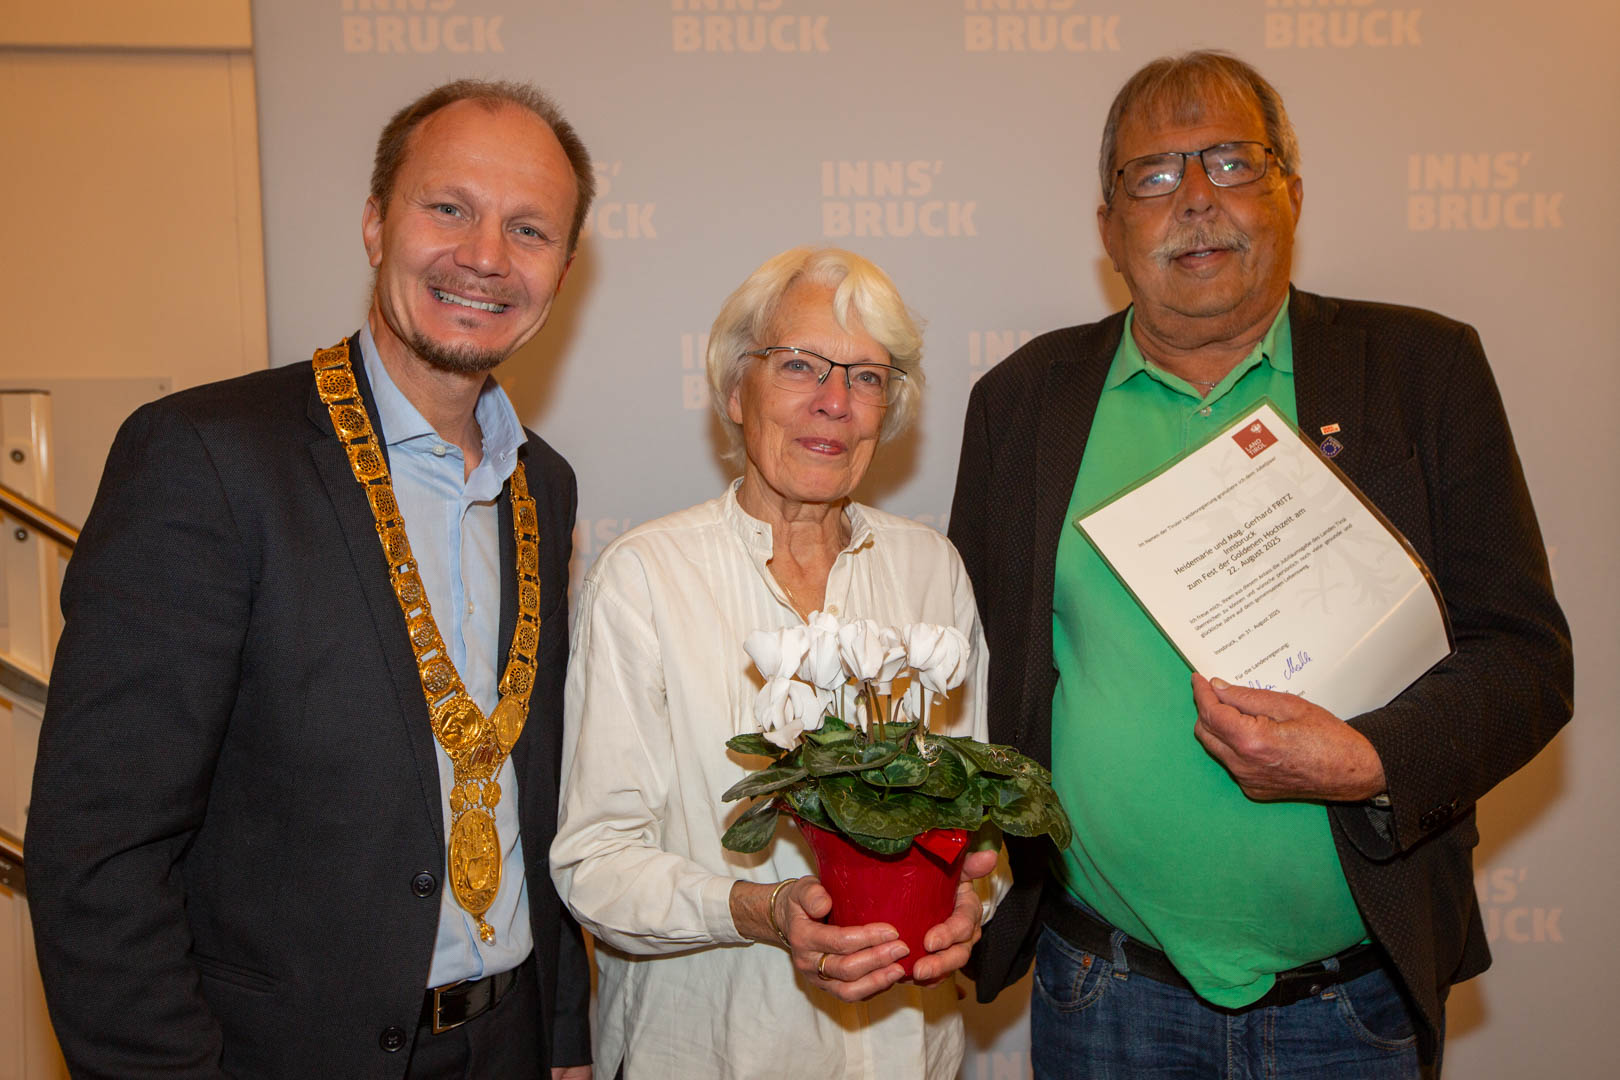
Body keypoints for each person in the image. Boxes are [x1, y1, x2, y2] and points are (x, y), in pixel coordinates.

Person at [951, 51, 1572, 1078]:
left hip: (1352, 1002)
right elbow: (971, 682)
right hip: (1103, 991)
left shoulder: (1419, 371)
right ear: (1109, 226)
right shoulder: (1021, 403)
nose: (1196, 198)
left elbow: (1526, 661)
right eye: (1155, 174)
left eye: (1233, 161)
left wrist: (1371, 761)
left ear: (1294, 193)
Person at [27, 79, 597, 1079]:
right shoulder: (207, 458)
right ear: (376, 223)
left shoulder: (541, 483)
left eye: (529, 229)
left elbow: (525, 787)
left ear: (563, 268)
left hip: (507, 1042)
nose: (485, 256)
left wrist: (559, 1037)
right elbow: (99, 850)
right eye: (448, 207)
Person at [551, 247, 1001, 1079]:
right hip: (710, 1051)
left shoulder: (931, 570)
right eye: (799, 364)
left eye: (867, 377)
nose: (834, 401)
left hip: (909, 1053)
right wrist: (760, 908)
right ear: (735, 390)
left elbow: (974, 820)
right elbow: (598, 863)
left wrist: (972, 898)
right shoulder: (646, 578)